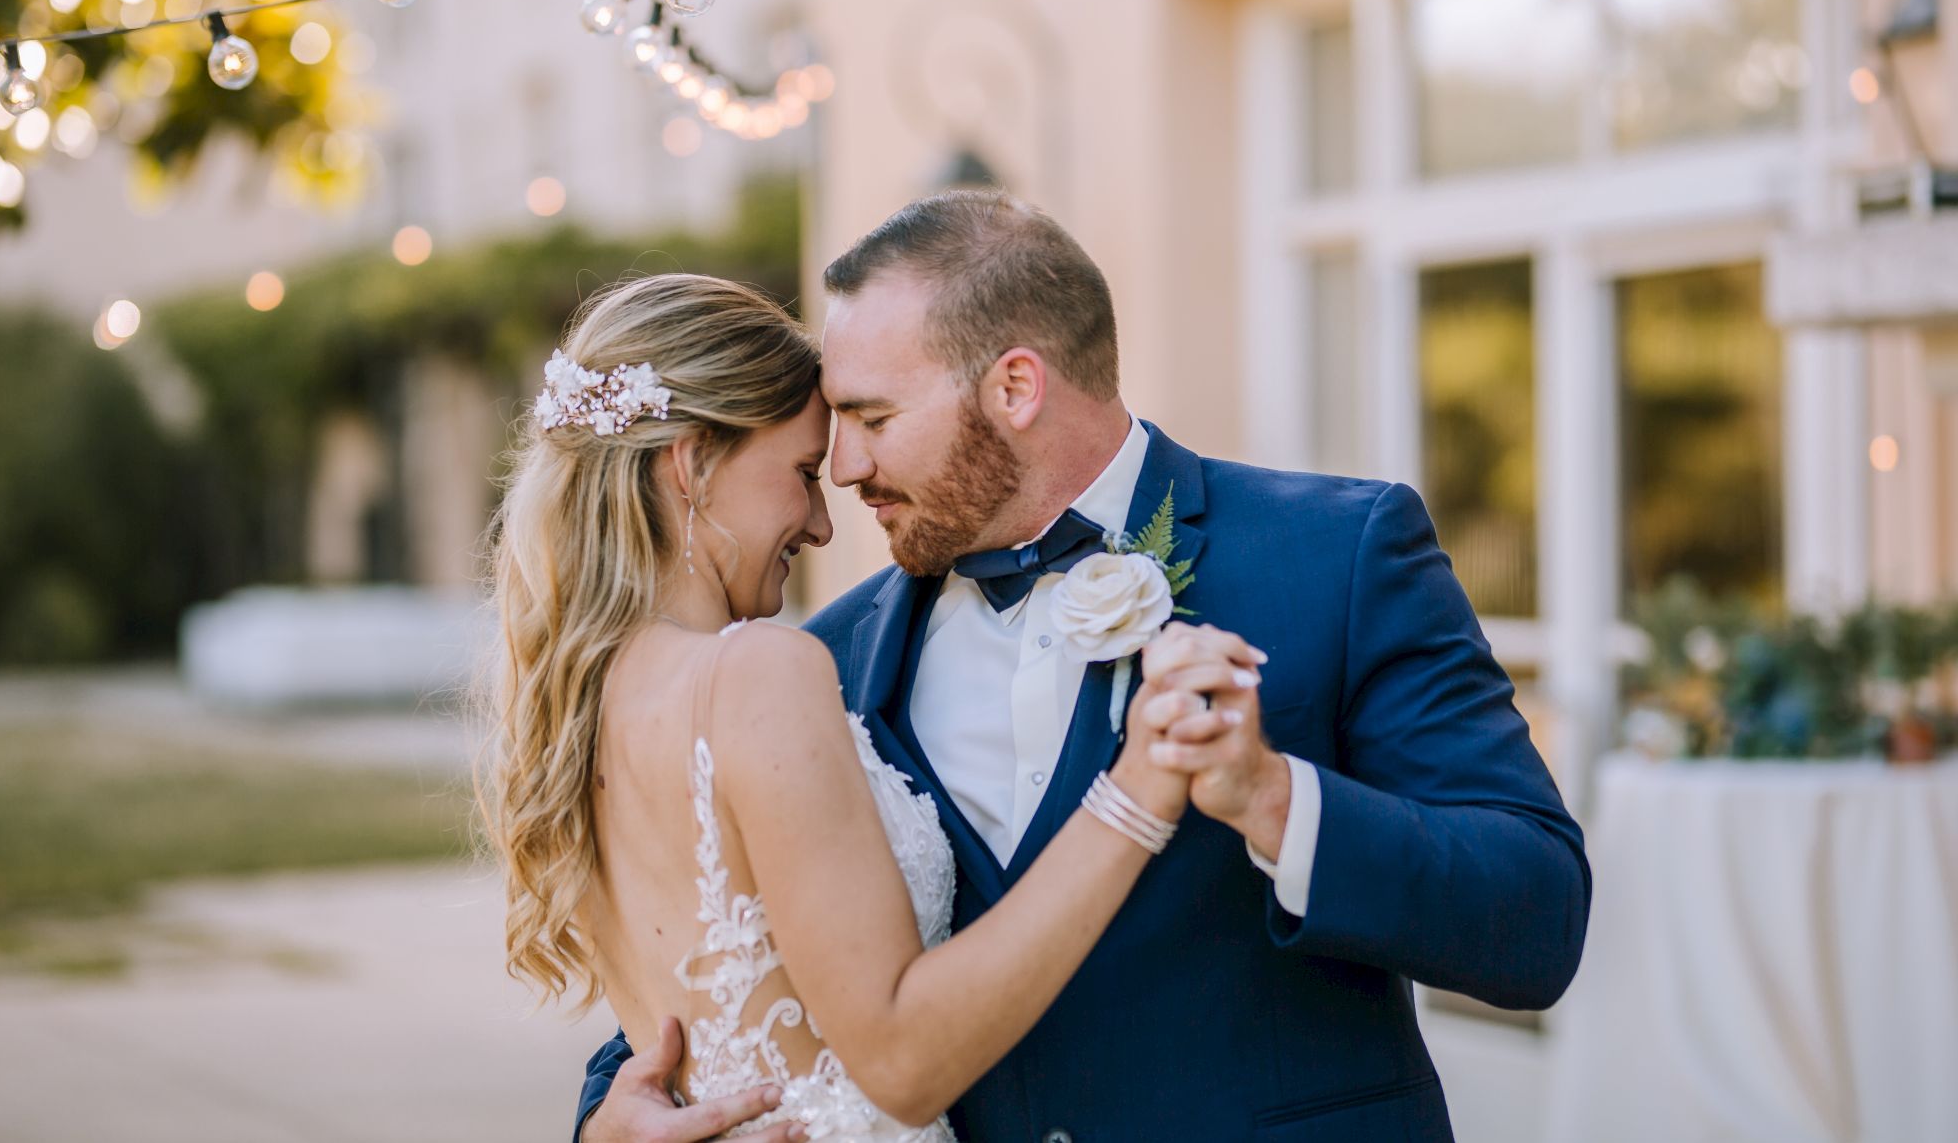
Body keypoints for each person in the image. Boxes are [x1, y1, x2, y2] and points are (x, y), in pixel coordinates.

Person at [574, 191, 1592, 1143]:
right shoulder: (824, 659)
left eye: (872, 418)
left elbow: (1535, 918)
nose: (842, 468)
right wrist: (605, 1118)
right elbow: (735, 961)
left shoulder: (1339, 554)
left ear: (1014, 385)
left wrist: (1274, 799)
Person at [478, 272, 1263, 1142]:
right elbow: (900, 1063)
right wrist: (1141, 787)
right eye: (804, 471)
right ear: (691, 463)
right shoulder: (757, 672)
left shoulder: (579, 707)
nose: (821, 521)